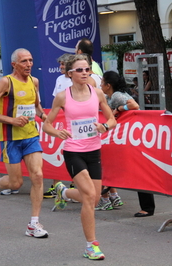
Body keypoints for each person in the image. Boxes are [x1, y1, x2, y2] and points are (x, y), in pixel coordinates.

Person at [43, 54, 116, 260]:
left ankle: (64, 193)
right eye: (80, 70)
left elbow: (112, 119)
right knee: (88, 195)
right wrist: (57, 133)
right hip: (74, 151)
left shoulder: (98, 93)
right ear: (70, 74)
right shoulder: (62, 96)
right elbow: (47, 124)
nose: (85, 73)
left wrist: (105, 126)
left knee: (93, 198)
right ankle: (91, 245)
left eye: (87, 69)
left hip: (94, 150)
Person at [0, 48, 48, 238]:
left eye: (31, 60)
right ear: (14, 64)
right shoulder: (5, 82)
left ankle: (34, 224)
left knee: (38, 176)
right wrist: (12, 121)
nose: (29, 64)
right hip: (11, 138)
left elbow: (35, 106)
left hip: (31, 136)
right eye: (24, 61)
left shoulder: (34, 81)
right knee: (15, 183)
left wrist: (43, 115)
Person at [95, 70, 137, 211]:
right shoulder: (110, 96)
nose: (100, 85)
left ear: (108, 85)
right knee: (106, 165)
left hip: (122, 137)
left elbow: (134, 105)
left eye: (102, 83)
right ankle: (113, 197)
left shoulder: (117, 96)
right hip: (117, 136)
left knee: (102, 165)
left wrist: (120, 108)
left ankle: (105, 199)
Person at [44, 53, 74, 199]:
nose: (60, 67)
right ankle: (56, 186)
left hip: (74, 123)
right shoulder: (59, 79)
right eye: (60, 64)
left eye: (63, 64)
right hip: (60, 122)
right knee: (57, 154)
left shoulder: (77, 80)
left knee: (75, 154)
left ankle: (75, 185)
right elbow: (56, 101)